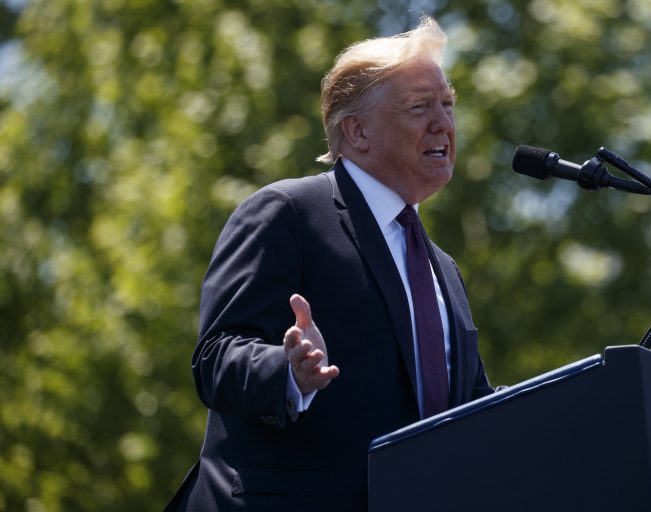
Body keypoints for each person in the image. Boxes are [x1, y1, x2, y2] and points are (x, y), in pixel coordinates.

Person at [165, 16, 494, 511]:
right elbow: (217, 357)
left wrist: (563, 406)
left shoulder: (441, 268)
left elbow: (473, 408)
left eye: (447, 104)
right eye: (420, 107)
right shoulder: (288, 214)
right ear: (357, 131)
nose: (443, 123)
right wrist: (289, 371)